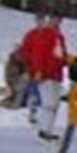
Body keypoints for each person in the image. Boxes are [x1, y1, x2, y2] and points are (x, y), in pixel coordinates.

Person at [17, 12, 68, 140]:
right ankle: (43, 128)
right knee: (48, 102)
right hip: (44, 74)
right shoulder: (42, 35)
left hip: (54, 74)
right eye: (53, 19)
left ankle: (46, 128)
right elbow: (36, 54)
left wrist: (66, 60)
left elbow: (60, 55)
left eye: (58, 20)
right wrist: (37, 70)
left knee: (53, 102)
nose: (56, 22)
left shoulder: (58, 36)